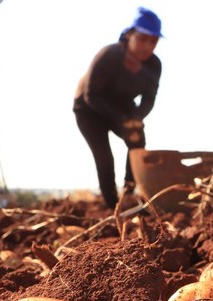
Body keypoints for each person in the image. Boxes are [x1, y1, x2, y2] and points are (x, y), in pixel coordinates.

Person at [73, 7, 163, 209]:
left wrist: (136, 119)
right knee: (104, 157)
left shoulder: (154, 65)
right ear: (130, 35)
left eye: (153, 41)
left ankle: (128, 196)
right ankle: (112, 206)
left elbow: (149, 100)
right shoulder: (110, 55)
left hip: (123, 108)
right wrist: (122, 119)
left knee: (137, 142)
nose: (147, 46)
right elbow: (91, 95)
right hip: (89, 109)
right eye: (142, 38)